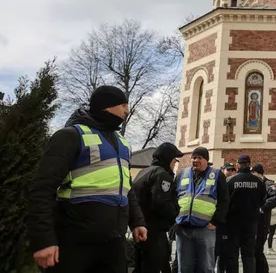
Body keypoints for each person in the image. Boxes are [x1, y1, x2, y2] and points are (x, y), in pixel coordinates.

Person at [27, 86, 147, 273]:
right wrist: (44, 241)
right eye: (123, 104)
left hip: (113, 244)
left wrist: (137, 221)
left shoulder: (123, 143)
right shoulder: (70, 136)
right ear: (106, 106)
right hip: (74, 243)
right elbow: (42, 190)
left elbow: (125, 187)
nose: (127, 110)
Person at [174, 147, 229, 273]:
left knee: (205, 267)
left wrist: (215, 221)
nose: (195, 160)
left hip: (205, 228)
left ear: (206, 160)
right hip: (183, 228)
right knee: (184, 267)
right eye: (193, 157)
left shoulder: (216, 175)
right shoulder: (182, 174)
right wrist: (175, 220)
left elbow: (224, 200)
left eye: (199, 158)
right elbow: (173, 197)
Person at [132, 142, 184, 273]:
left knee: (140, 266)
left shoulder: (144, 172)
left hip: (140, 228)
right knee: (154, 266)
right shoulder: (162, 175)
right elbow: (162, 203)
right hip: (154, 231)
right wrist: (175, 213)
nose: (174, 164)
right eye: (174, 160)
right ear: (168, 159)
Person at [226, 155, 267, 273]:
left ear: (237, 164)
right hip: (251, 223)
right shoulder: (258, 182)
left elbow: (225, 201)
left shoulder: (230, 181)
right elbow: (262, 200)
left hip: (233, 223)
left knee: (232, 255)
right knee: (249, 255)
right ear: (249, 164)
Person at [250, 163, 276, 273]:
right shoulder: (254, 183)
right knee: (254, 250)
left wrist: (262, 207)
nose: (251, 175)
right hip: (252, 222)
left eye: (253, 172)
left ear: (258, 173)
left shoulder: (268, 184)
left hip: (262, 222)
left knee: (257, 249)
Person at [215, 162, 237, 273]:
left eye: (232, 170)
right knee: (215, 251)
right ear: (223, 170)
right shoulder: (218, 182)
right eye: (228, 170)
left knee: (225, 253)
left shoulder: (233, 184)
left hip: (229, 223)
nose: (230, 172)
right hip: (218, 222)